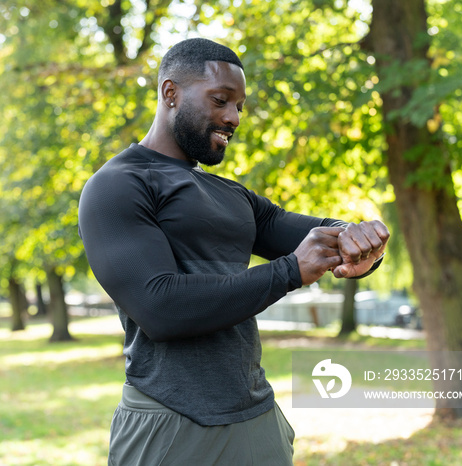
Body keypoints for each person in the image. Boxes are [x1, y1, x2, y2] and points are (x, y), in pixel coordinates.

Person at [78, 38, 389, 465]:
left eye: (240, 106)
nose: (233, 117)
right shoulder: (118, 184)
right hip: (171, 422)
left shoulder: (232, 194)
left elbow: (318, 234)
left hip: (257, 419)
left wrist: (360, 241)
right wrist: (290, 272)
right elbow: (160, 308)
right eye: (221, 100)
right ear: (170, 93)